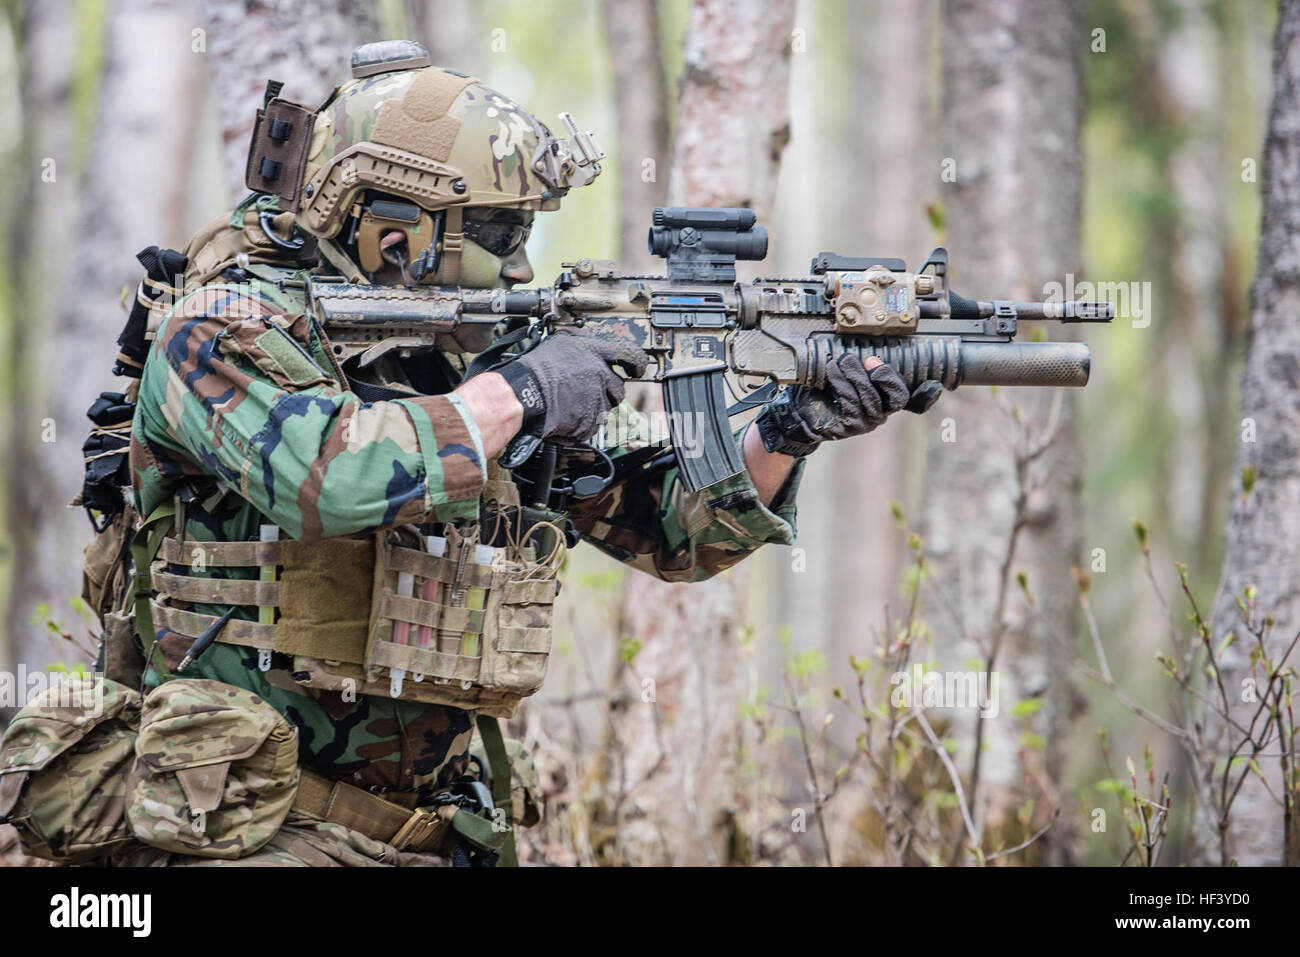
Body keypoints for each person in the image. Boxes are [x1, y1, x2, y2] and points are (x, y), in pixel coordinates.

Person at [0, 41, 935, 867]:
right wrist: (523, 393)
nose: (521, 265)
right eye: (497, 233)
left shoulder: (453, 360)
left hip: (441, 833)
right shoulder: (220, 328)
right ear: (390, 227)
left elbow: (669, 533)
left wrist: (788, 424)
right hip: (253, 828)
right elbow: (329, 475)